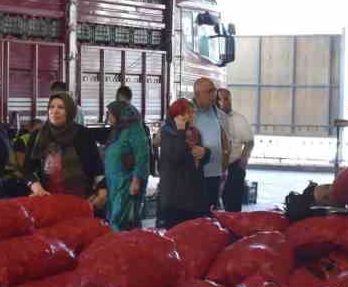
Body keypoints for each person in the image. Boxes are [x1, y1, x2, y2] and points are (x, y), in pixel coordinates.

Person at [26, 91, 107, 211]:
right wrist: (35, 186)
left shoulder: (83, 134)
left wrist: (102, 190)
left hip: (81, 201)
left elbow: (97, 166)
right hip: (48, 201)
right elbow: (27, 169)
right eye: (51, 107)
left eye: (61, 107)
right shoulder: (38, 135)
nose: (55, 111)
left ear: (70, 111)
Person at [157, 97, 211, 228]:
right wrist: (181, 132)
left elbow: (200, 159)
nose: (193, 116)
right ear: (179, 115)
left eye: (193, 112)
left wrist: (204, 153)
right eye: (190, 113)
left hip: (194, 194)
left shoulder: (194, 132)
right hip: (175, 197)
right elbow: (175, 157)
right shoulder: (166, 133)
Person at [103, 99, 151, 231]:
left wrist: (136, 181)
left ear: (120, 114)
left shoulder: (135, 130)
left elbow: (142, 156)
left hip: (127, 182)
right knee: (114, 216)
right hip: (115, 182)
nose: (108, 117)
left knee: (122, 218)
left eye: (110, 114)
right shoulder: (118, 130)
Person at [191, 77, 231, 210]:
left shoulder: (221, 116)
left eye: (214, 90)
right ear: (197, 94)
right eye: (209, 91)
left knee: (210, 215)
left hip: (214, 174)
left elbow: (226, 142)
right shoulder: (187, 114)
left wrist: (224, 169)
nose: (213, 94)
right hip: (193, 175)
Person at [218, 88, 256, 213]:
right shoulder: (213, 119)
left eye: (227, 99)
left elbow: (249, 142)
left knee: (232, 203)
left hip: (234, 165)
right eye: (221, 99)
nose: (225, 102)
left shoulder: (239, 119)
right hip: (215, 167)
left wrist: (244, 159)